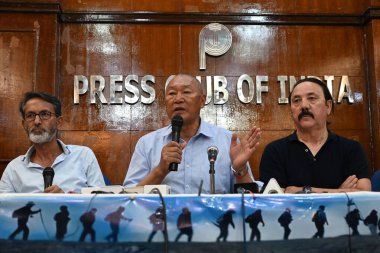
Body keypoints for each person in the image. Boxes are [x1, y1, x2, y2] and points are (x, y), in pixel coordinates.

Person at [123, 74, 262, 194]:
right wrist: (160, 170)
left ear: (202, 100)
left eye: (186, 92)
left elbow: (249, 199)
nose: (178, 99)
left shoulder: (227, 141)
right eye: (171, 93)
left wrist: (241, 170)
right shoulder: (147, 144)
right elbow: (127, 198)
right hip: (164, 223)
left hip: (212, 223)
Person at [259, 77, 371, 193]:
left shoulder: (351, 149)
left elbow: (364, 193)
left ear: (328, 106)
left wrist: (302, 190)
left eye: (312, 98)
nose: (304, 106)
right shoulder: (275, 151)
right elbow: (274, 201)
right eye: (296, 100)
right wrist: (339, 192)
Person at [0, 92, 105, 193]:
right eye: (30, 115)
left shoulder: (83, 156)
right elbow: (4, 208)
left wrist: (66, 200)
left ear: (59, 122)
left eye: (45, 114)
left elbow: (101, 203)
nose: (37, 121)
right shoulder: (14, 169)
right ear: (24, 124)